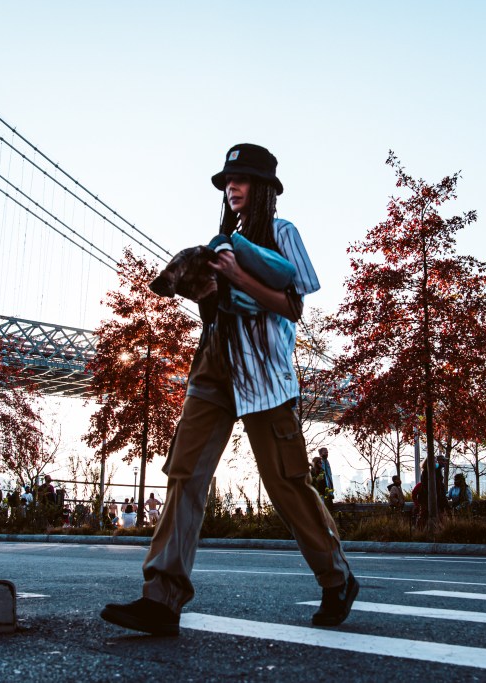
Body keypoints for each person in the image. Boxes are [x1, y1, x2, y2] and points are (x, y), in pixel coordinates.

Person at [100, 144, 356, 636]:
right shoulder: (223, 239)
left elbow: (293, 306)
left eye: (240, 180)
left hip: (264, 375)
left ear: (263, 188)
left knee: (285, 483)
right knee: (185, 474)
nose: (231, 187)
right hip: (214, 366)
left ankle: (336, 578)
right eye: (226, 181)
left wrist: (238, 276)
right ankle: (161, 599)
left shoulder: (282, 232)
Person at [318, 447, 335, 512]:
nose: (327, 453)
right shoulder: (319, 463)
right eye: (325, 452)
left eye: (327, 452)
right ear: (321, 453)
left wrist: (331, 493)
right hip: (322, 491)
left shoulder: (327, 462)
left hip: (329, 492)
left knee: (330, 510)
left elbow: (329, 477)